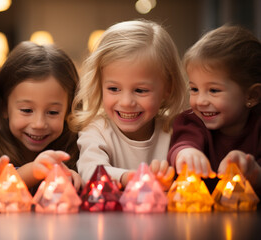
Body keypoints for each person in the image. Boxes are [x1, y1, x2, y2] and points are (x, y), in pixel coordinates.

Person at [71, 19, 188, 190]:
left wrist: (168, 177)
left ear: (167, 89)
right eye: (114, 88)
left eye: (140, 90)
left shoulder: (174, 130)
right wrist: (129, 177)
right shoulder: (97, 129)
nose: (126, 102)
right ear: (99, 85)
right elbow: (90, 171)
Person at [0, 41, 82, 191]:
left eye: (52, 112)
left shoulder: (81, 153)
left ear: (69, 111)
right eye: (26, 110)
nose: (39, 124)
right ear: (3, 106)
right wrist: (35, 171)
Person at [168, 25, 261, 193]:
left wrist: (253, 172)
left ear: (252, 96)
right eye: (194, 89)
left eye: (213, 90)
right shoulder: (191, 121)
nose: (201, 101)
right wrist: (186, 153)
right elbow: (183, 143)